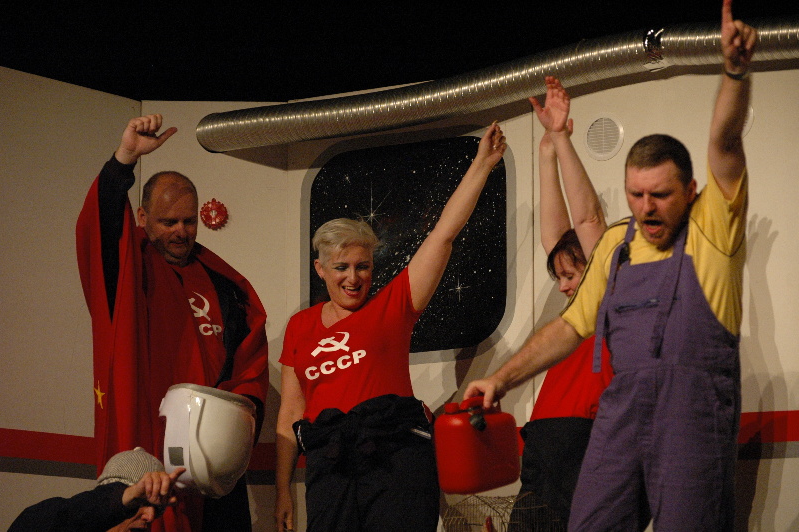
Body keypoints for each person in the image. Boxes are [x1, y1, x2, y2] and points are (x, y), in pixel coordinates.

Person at [466, 1, 756, 529]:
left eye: (661, 195)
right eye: (636, 194)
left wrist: (734, 74)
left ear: (691, 191)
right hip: (622, 417)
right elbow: (569, 327)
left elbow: (725, 141)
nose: (647, 208)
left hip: (692, 420)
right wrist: (501, 379)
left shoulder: (714, 228)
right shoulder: (616, 247)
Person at [275, 123, 507, 531]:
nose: (353, 278)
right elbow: (290, 415)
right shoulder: (300, 326)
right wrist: (282, 492)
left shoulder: (393, 306)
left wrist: (482, 165)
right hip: (331, 469)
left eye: (362, 267)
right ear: (320, 269)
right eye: (341, 267)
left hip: (396, 461)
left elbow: (443, 236)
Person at [76, 115, 270, 531]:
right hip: (146, 449)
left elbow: (248, 360)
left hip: (213, 461)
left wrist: (233, 424)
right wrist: (125, 158)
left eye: (189, 221)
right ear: (143, 216)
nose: (181, 232)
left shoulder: (225, 284)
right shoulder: (127, 271)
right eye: (168, 222)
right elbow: (102, 224)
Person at [507, 77, 613, 530]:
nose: (565, 287)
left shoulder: (610, 297)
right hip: (545, 446)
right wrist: (546, 152)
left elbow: (589, 219)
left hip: (584, 444)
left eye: (572, 276)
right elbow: (555, 238)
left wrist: (563, 143)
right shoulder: (572, 318)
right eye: (561, 278)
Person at [9, 447, 184, 532]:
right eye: (140, 502)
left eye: (157, 509)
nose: (150, 517)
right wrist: (125, 497)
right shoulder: (46, 520)